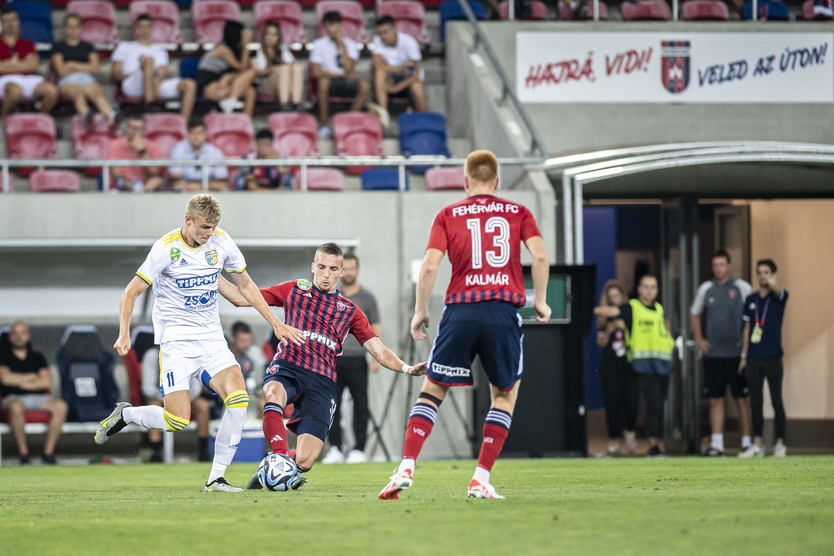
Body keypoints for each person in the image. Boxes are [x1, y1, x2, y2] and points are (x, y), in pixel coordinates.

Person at [95, 194, 305, 492]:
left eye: (213, 227)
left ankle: (216, 478)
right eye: (204, 227)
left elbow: (245, 286)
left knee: (239, 399)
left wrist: (276, 321)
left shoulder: (221, 242)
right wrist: (124, 332)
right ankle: (126, 414)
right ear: (188, 220)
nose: (209, 232)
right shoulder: (166, 249)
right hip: (176, 342)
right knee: (177, 420)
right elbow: (131, 292)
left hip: (211, 339)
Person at [379, 150, 551, 501]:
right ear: (497, 181)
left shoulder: (447, 214)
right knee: (503, 396)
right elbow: (539, 256)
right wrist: (541, 300)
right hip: (502, 311)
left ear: (465, 181)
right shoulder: (519, 212)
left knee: (432, 389)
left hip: (460, 312)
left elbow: (430, 266)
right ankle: (480, 478)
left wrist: (420, 310)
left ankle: (407, 466)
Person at [217, 242, 426, 489]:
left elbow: (379, 350)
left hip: (322, 381)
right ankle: (279, 459)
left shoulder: (350, 311)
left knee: (305, 461)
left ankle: (273, 470)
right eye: (322, 267)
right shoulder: (294, 290)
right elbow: (241, 298)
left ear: (341, 272)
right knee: (272, 396)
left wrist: (406, 368)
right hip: (289, 366)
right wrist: (210, 274)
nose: (326, 274)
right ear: (313, 267)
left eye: (333, 269)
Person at [595, 275, 674, 457]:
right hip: (637, 362)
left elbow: (666, 329)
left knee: (645, 404)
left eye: (653, 287)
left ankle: (638, 436)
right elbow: (605, 317)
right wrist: (606, 320)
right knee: (645, 404)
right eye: (646, 287)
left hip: (657, 361)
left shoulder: (658, 309)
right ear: (639, 289)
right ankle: (647, 444)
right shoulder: (631, 307)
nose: (649, 291)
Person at [690, 249, 753, 457]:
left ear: (729, 265)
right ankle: (717, 444)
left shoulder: (742, 287)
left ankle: (746, 443)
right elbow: (694, 313)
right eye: (715, 265)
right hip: (714, 354)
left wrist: (746, 341)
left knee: (741, 398)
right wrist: (699, 339)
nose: (718, 269)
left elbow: (753, 314)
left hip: (736, 354)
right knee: (715, 399)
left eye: (722, 265)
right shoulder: (706, 288)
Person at [321, 253, 381, 464]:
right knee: (331, 404)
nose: (348, 273)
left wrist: (376, 357)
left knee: (361, 404)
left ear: (357, 270)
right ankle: (335, 447)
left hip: (358, 359)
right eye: (344, 268)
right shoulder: (330, 295)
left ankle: (359, 449)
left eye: (352, 268)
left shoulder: (367, 298)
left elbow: (375, 328)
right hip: (333, 359)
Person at [739, 259, 789, 458]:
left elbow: (779, 291)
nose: (762, 276)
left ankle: (780, 443)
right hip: (753, 357)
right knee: (755, 402)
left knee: (776, 400)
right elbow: (747, 328)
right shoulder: (750, 299)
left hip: (773, 356)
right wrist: (744, 356)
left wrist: (773, 282)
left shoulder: (778, 297)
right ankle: (757, 443)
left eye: (767, 272)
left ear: (773, 275)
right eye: (759, 272)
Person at [0, 321, 68, 465]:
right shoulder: (3, 356)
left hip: (38, 398)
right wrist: (32, 376)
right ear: (10, 336)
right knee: (16, 406)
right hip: (13, 398)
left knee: (61, 405)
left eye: (22, 333)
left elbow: (45, 382)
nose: (19, 337)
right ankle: (24, 454)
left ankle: (48, 454)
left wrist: (18, 380)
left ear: (28, 335)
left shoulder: (38, 357)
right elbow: (5, 379)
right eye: (15, 333)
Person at [111, 14, 196, 122]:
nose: (144, 30)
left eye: (147, 26)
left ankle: (183, 124)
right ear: (136, 29)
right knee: (149, 61)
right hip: (132, 83)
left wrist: (155, 81)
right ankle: (150, 107)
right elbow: (115, 73)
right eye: (141, 27)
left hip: (155, 83)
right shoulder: (124, 46)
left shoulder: (160, 50)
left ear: (152, 29)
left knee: (190, 84)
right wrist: (134, 74)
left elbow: (162, 73)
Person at [141, 345, 210, 462]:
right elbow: (148, 388)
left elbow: (195, 388)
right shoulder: (152, 355)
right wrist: (168, 399)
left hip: (185, 398)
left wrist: (180, 400)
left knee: (202, 406)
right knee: (153, 405)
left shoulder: (191, 355)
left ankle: (204, 451)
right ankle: (155, 452)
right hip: (160, 398)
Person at [309, 11, 370, 138]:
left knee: (365, 85)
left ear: (340, 25)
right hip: (331, 81)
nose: (329, 28)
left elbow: (348, 69)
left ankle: (348, 122)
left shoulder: (351, 44)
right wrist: (341, 75)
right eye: (327, 25)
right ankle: (324, 125)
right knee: (323, 82)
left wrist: (343, 45)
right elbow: (316, 72)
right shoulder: (318, 44)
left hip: (347, 83)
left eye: (332, 24)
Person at [595, 280, 638, 457]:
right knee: (612, 402)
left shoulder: (628, 309)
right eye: (610, 296)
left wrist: (622, 325)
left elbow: (617, 312)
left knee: (632, 401)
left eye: (616, 295)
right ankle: (613, 440)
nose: (614, 298)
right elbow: (600, 342)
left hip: (628, 361)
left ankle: (630, 433)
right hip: (610, 363)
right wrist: (608, 330)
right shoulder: (604, 318)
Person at [51, 13, 117, 126]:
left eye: (75, 26)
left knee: (95, 92)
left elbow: (95, 68)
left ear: (80, 28)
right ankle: (87, 115)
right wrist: (85, 67)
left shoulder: (88, 46)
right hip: (67, 80)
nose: (73, 30)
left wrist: (71, 64)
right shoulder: (58, 46)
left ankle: (112, 115)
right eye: (70, 26)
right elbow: (61, 71)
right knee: (78, 92)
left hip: (87, 79)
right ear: (65, 28)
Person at [368, 16, 428, 130]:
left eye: (385, 32)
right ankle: (383, 112)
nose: (382, 36)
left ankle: (424, 122)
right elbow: (378, 65)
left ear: (394, 29)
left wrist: (395, 88)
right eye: (380, 33)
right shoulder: (377, 40)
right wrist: (401, 68)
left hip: (408, 80)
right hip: (390, 78)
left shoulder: (409, 42)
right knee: (380, 73)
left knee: (417, 88)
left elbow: (415, 76)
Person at [0, 8, 57, 122]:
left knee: (51, 90)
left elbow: (33, 65)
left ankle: (39, 120)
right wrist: (23, 64)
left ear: (18, 21)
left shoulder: (28, 44)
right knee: (15, 91)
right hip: (4, 80)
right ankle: (2, 121)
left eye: (13, 20)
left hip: (26, 79)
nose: (10, 24)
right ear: (1, 23)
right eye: (6, 21)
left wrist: (6, 64)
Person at [195, 21, 256, 117]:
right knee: (250, 73)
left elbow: (238, 72)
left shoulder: (231, 50)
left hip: (221, 83)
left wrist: (227, 77)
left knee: (251, 91)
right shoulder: (223, 49)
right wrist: (245, 45)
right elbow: (242, 68)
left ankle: (246, 121)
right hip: (208, 85)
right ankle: (230, 102)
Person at [107, 114, 163, 193]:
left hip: (144, 186)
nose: (134, 132)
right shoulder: (115, 145)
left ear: (144, 131)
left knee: (157, 181)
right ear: (126, 129)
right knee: (119, 182)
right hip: (122, 185)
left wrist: (142, 151)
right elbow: (116, 173)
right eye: (132, 128)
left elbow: (154, 172)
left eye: (138, 129)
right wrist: (132, 186)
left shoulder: (153, 145)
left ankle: (140, 191)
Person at [169, 119, 229, 192]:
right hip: (185, 190)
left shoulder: (215, 151)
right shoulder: (178, 149)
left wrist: (200, 186)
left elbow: (223, 182)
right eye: (192, 133)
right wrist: (193, 187)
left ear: (205, 134)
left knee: (223, 188)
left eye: (199, 133)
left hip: (209, 189)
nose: (196, 137)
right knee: (177, 187)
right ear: (187, 134)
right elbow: (175, 179)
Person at [253, 22, 302, 111]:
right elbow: (256, 72)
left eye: (274, 35)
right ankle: (284, 105)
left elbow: (293, 65)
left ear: (278, 37)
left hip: (283, 83)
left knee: (296, 68)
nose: (271, 38)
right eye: (268, 34)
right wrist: (272, 69)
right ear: (263, 35)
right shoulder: (256, 52)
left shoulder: (283, 50)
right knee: (283, 69)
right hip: (265, 84)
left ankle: (295, 103)